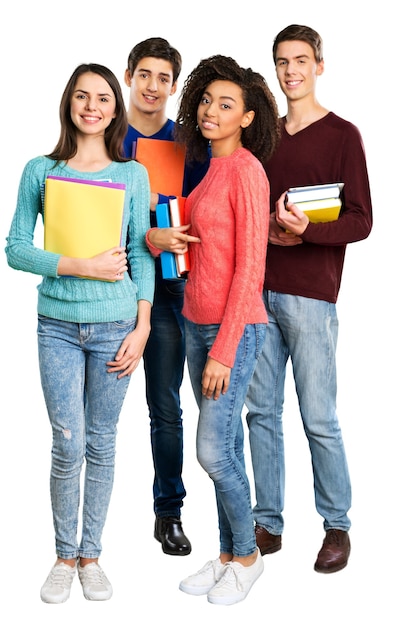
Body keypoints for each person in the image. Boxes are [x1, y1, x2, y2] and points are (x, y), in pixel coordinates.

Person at [5, 63, 155, 603]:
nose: (91, 106)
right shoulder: (39, 170)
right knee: (67, 443)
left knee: (102, 441)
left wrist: (142, 327)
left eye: (102, 98)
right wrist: (78, 265)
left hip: (117, 324)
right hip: (58, 329)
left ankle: (92, 555)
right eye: (82, 96)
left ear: (116, 109)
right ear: (69, 102)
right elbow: (16, 247)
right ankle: (64, 554)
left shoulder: (131, 174)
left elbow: (140, 251)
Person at [245, 24, 373, 573]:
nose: (291, 70)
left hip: (313, 297)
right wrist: (266, 231)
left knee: (319, 417)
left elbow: (362, 220)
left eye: (301, 60)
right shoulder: (264, 136)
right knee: (261, 414)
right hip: (258, 291)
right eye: (282, 61)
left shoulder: (343, 135)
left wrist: (305, 233)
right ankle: (268, 523)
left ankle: (336, 525)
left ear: (319, 65)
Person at [168, 54, 280, 605]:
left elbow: (250, 271)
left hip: (230, 332)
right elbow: (198, 247)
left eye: (226, 104)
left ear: (248, 118)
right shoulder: (210, 167)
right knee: (227, 446)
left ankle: (249, 557)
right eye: (207, 100)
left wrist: (224, 350)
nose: (212, 110)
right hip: (194, 323)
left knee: (213, 452)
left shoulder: (248, 172)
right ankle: (230, 553)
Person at [123, 37, 209, 555]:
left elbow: (206, 215)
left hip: (182, 286)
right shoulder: (110, 139)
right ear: (129, 74)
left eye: (164, 78)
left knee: (186, 406)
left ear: (174, 86)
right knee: (151, 408)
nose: (153, 86)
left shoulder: (188, 142)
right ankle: (159, 516)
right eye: (145, 74)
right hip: (125, 287)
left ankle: (189, 515)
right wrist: (144, 237)